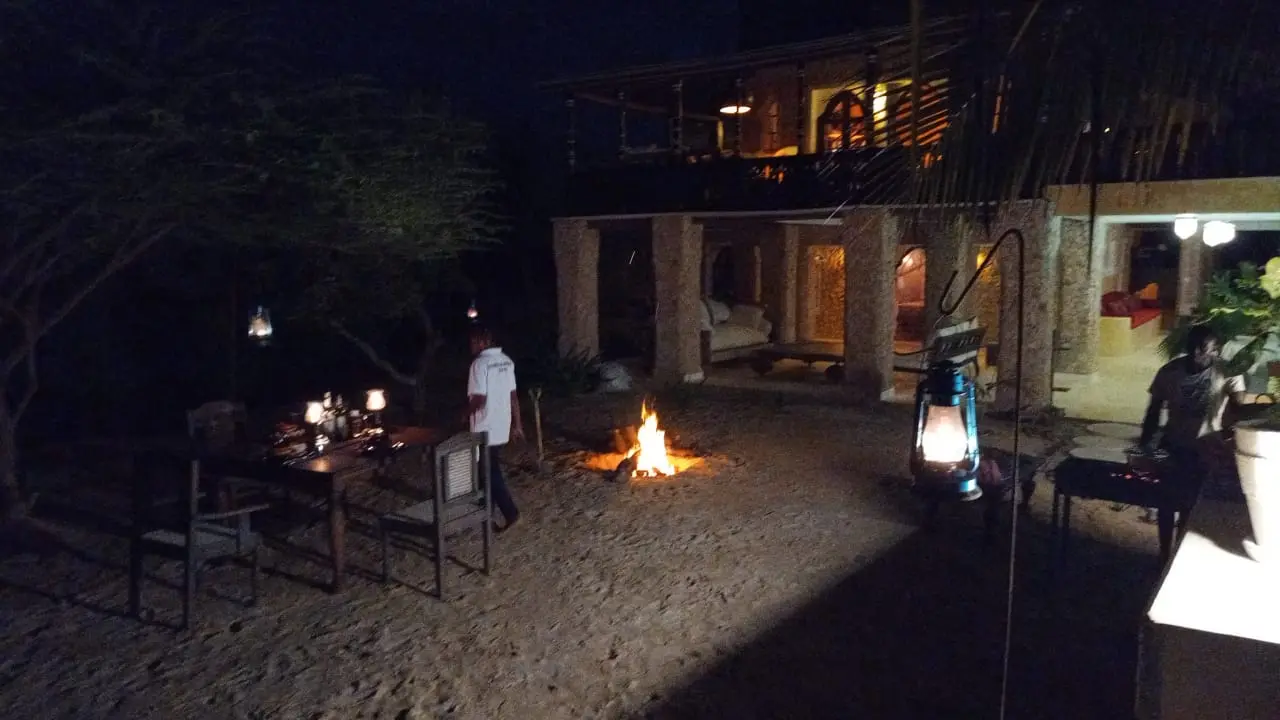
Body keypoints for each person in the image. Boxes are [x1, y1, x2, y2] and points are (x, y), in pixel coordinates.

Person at [1138, 324, 1247, 545]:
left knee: (1191, 503)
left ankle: (1179, 545)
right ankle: (1164, 550)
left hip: (1206, 448)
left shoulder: (1227, 371)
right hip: (1173, 445)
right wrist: (1145, 445)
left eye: (1203, 349)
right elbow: (1153, 410)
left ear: (1216, 351)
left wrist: (1232, 437)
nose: (1197, 353)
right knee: (1166, 501)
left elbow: (1239, 409)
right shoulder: (1169, 372)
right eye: (1193, 347)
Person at [467, 324, 523, 532]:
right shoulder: (506, 361)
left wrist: (462, 415)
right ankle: (486, 514)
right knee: (488, 469)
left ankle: (510, 512)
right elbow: (513, 396)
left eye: (473, 342)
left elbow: (479, 399)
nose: (471, 346)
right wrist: (517, 424)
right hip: (502, 424)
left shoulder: (479, 365)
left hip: (484, 425)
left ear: (483, 342)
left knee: (489, 471)